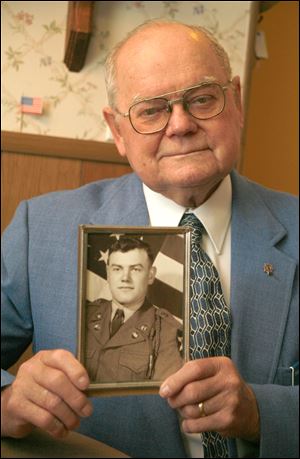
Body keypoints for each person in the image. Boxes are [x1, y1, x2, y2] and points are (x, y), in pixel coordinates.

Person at [1, 19, 298, 459]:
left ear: (235, 101)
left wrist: (261, 412)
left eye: (201, 99)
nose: (180, 125)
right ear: (118, 130)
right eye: (151, 110)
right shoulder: (39, 228)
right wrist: (8, 404)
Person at [85, 237, 183, 382]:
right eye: (117, 269)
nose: (125, 278)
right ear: (108, 273)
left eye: (135, 269)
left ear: (150, 275)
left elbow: (162, 396)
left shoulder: (166, 330)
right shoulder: (86, 314)